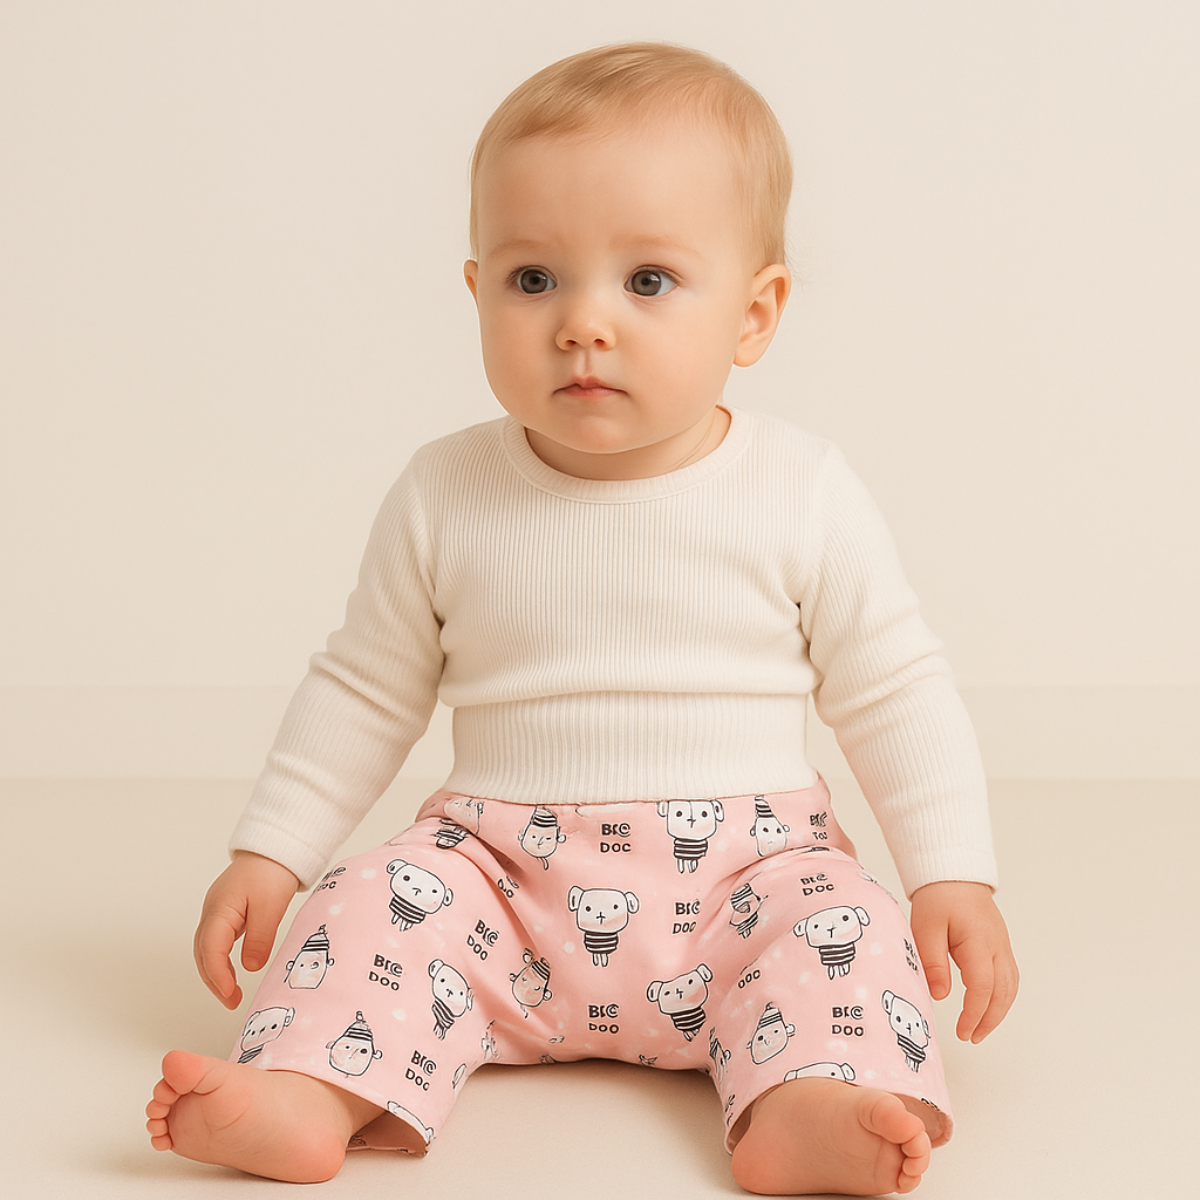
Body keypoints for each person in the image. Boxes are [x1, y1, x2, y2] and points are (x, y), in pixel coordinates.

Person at [146, 42, 1017, 1196]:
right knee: (370, 907)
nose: (582, 323)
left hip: (747, 879)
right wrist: (272, 851)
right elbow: (365, 685)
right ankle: (310, 1093)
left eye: (647, 280)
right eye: (533, 280)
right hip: (496, 884)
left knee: (843, 925)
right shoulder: (445, 490)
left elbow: (894, 688)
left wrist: (951, 873)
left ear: (754, 314)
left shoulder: (801, 488)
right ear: (476, 292)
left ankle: (805, 1100)